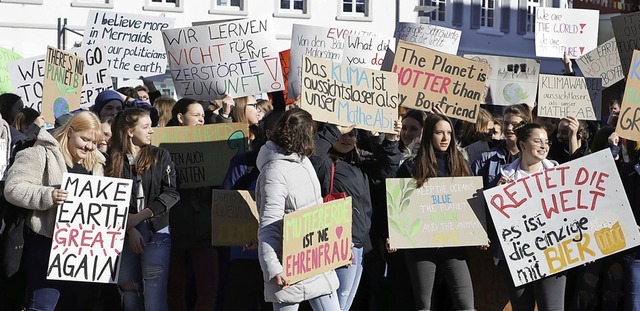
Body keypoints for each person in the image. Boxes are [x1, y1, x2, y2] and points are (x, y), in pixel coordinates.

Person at [4, 111, 106, 310]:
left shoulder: (98, 162)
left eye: (94, 142)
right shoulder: (39, 153)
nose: (89, 146)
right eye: (84, 139)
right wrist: (48, 195)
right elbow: (13, 189)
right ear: (69, 132)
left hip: (85, 250)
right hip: (47, 247)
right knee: (44, 306)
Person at [310, 121, 401, 311]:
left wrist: (385, 139)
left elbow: (388, 169)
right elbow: (313, 155)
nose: (346, 138)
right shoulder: (326, 164)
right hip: (336, 243)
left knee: (343, 306)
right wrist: (334, 130)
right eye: (342, 133)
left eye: (351, 134)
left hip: (359, 245)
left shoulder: (363, 163)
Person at [256, 108, 340, 310]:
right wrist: (274, 268)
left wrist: (339, 246)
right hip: (289, 266)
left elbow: (317, 210)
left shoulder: (302, 161)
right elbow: (269, 224)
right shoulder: (274, 171)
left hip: (316, 260)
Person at [395, 113, 476, 311]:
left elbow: (471, 203)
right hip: (421, 246)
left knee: (466, 304)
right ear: (428, 135)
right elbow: (399, 205)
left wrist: (478, 231)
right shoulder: (411, 166)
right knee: (424, 305)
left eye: (449, 133)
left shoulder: (460, 165)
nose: (445, 138)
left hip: (453, 245)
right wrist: (395, 233)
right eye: (439, 132)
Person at [106, 108, 179, 311]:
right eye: (145, 127)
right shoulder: (111, 159)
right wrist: (130, 228)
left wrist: (139, 217)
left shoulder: (160, 155)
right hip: (122, 232)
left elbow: (171, 193)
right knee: (128, 290)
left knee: (154, 293)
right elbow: (109, 198)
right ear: (130, 131)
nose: (151, 131)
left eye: (151, 126)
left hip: (156, 231)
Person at [494, 122, 565, 311]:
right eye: (537, 141)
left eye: (546, 142)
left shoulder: (560, 174)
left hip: (553, 254)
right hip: (518, 256)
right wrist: (498, 195)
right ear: (523, 145)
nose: (544, 146)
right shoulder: (503, 178)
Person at [165, 98, 219, 311]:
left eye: (203, 116)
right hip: (173, 227)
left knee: (208, 289)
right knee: (174, 288)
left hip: (204, 227)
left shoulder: (211, 146)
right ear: (180, 117)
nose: (201, 120)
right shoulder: (161, 147)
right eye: (196, 115)